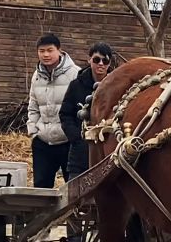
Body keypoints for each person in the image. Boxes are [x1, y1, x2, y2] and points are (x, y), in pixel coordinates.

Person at [27, 33, 79, 188]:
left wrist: (75, 135)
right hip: (42, 140)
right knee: (41, 188)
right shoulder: (37, 75)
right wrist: (33, 130)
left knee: (73, 188)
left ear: (59, 50)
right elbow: (33, 106)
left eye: (50, 50)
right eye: (42, 51)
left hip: (68, 141)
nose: (46, 54)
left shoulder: (75, 73)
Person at [59, 42, 113, 179]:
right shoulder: (76, 85)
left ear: (109, 63)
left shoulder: (117, 86)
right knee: (76, 195)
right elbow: (65, 114)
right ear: (89, 60)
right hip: (80, 153)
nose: (101, 64)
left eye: (105, 60)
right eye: (96, 60)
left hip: (108, 150)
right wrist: (77, 137)